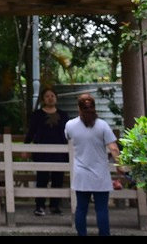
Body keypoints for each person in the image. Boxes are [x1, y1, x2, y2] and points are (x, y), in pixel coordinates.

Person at [65, 94, 122, 236]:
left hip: (81, 174)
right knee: (102, 209)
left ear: (79, 108)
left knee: (81, 209)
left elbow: (67, 136)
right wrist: (120, 166)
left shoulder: (70, 125)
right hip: (100, 175)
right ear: (94, 107)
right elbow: (114, 148)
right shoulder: (102, 125)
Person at [24, 87, 68, 216]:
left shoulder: (64, 115)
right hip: (41, 151)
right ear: (43, 99)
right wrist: (26, 147)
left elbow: (68, 133)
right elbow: (31, 131)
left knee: (58, 178)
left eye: (52, 96)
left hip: (60, 151)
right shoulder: (37, 114)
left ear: (56, 98)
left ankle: (55, 205)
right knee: (42, 178)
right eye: (47, 96)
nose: (50, 98)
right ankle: (40, 205)